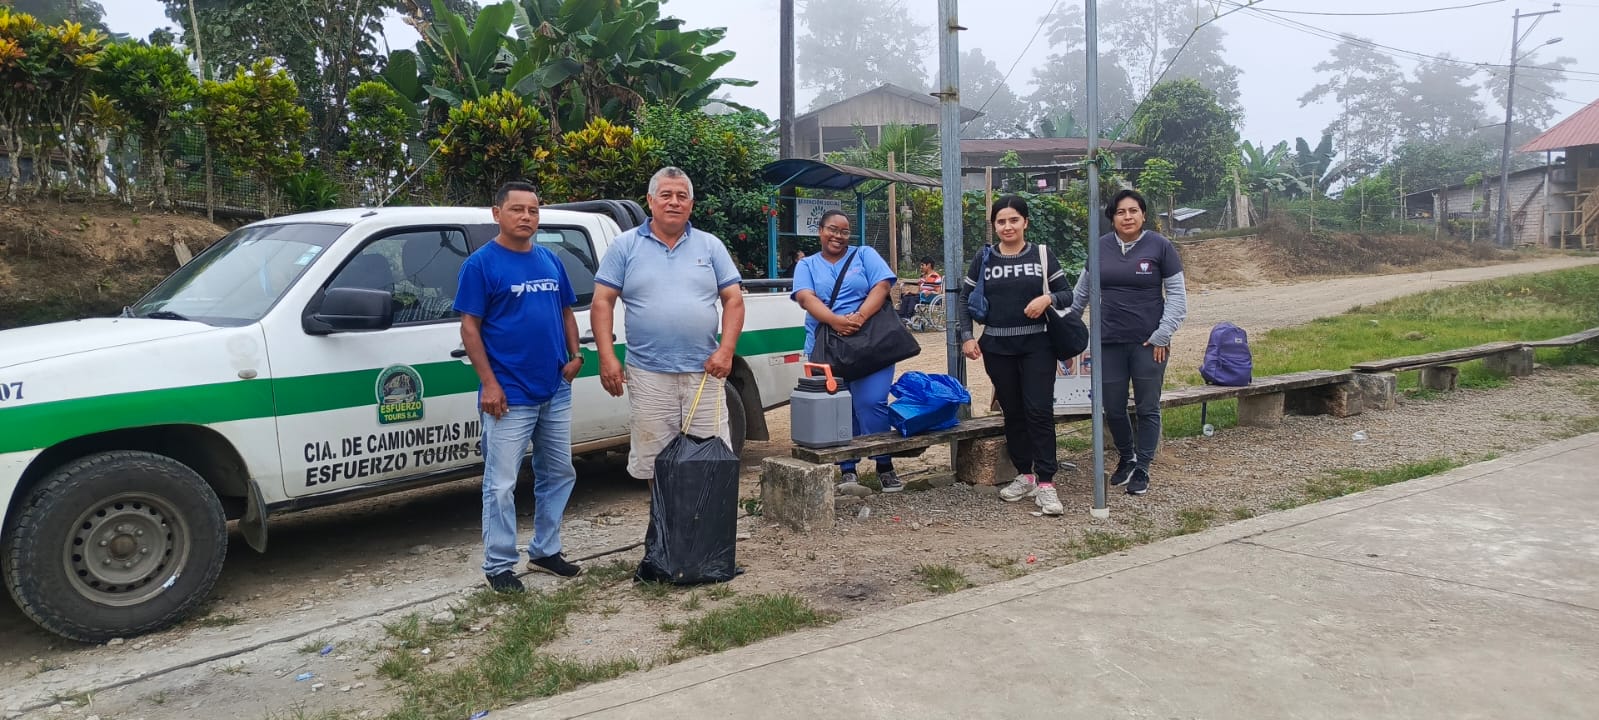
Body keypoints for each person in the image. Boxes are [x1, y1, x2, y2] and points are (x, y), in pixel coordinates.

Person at [454, 181, 586, 593]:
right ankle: (499, 565)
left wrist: (575, 355)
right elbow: (470, 328)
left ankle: (546, 550)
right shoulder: (480, 265)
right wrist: (489, 384)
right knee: (501, 484)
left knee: (559, 472)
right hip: (508, 395)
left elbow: (565, 312)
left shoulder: (549, 259)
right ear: (497, 213)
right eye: (517, 209)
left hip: (554, 389)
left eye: (533, 210)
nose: (526, 217)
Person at [592, 167, 745, 486]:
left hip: (704, 374)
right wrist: (607, 357)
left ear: (691, 204)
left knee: (710, 458)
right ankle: (664, 518)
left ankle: (703, 520)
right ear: (650, 201)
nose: (674, 202)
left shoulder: (710, 246)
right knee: (656, 464)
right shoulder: (624, 246)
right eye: (666, 195)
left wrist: (726, 351)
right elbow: (602, 301)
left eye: (681, 196)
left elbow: (733, 299)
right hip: (648, 374)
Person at [957, 195, 1076, 515]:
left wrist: (1047, 299)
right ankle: (1025, 475)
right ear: (994, 225)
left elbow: (1067, 293)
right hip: (997, 349)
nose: (1007, 226)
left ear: (1025, 222)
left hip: (1038, 346)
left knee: (1039, 411)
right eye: (1001, 221)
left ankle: (1046, 482)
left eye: (1013, 220)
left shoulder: (1042, 254)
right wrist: (967, 336)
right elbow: (964, 299)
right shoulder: (984, 258)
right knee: (1013, 412)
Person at [1070, 188, 1188, 497]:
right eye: (1121, 212)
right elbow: (1081, 294)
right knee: (1112, 406)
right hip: (1109, 341)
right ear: (1112, 218)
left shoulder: (1160, 246)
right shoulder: (1100, 247)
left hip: (1149, 343)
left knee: (1148, 406)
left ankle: (1143, 467)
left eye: (1133, 211)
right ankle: (1127, 456)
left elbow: (1177, 296)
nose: (1127, 217)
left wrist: (1163, 333)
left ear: (1143, 215)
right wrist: (1065, 324)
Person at [791, 210, 903, 492]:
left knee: (872, 402)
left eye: (844, 231)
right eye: (832, 229)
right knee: (838, 406)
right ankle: (847, 468)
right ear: (820, 230)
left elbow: (882, 285)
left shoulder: (864, 255)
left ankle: (884, 463)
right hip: (826, 347)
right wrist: (835, 321)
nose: (838, 236)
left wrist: (860, 317)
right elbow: (805, 297)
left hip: (870, 343)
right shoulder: (806, 265)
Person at [896, 256, 942, 321]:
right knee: (906, 296)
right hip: (921, 296)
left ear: (928, 265)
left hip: (929, 297)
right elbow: (919, 291)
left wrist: (931, 292)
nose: (921, 267)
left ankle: (908, 317)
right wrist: (911, 292)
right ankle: (901, 317)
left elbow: (939, 292)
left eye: (922, 265)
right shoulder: (922, 277)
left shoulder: (936, 277)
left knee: (913, 299)